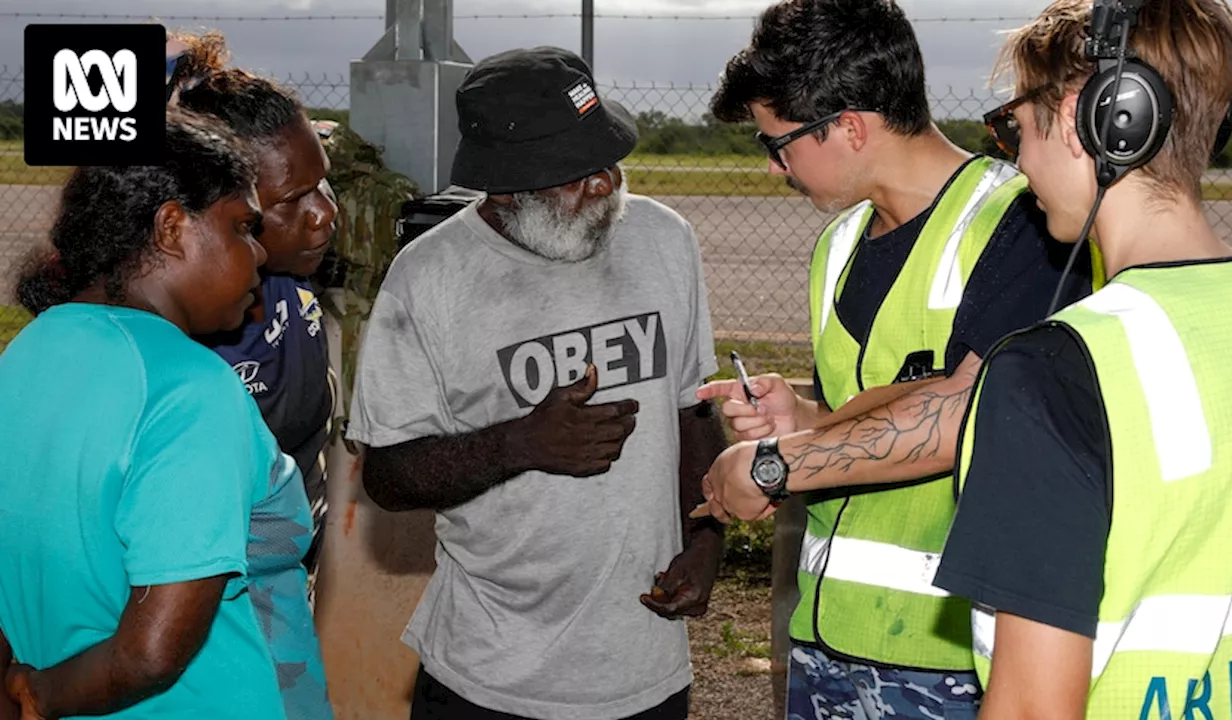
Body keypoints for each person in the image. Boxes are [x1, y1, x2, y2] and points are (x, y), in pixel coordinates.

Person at [693, 0, 1098, 717]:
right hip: (824, 642)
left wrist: (773, 466)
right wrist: (804, 416)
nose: (774, 167)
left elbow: (965, 414)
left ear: (848, 126)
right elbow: (872, 405)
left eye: (777, 142)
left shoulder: (1023, 227)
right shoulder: (838, 246)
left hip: (946, 668)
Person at [344, 46, 727, 720]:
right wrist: (519, 443)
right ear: (505, 186)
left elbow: (691, 410)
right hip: (488, 677)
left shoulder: (665, 241)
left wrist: (705, 539)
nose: (607, 183)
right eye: (578, 173)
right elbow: (388, 476)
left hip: (645, 672)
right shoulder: (428, 279)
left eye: (608, 159)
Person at [932, 1, 1232, 717]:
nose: (1016, 157)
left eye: (1012, 127)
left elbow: (1033, 708)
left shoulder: (1053, 372)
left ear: (1085, 119)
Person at [0, 109, 289, 719]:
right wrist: (40, 697)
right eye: (242, 226)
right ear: (172, 228)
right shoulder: (192, 389)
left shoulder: (26, 351)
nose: (260, 253)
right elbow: (153, 652)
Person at [162, 33, 337, 720]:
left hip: (280, 591)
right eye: (290, 199)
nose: (324, 212)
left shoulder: (291, 288)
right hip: (207, 623)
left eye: (321, 180)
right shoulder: (188, 348)